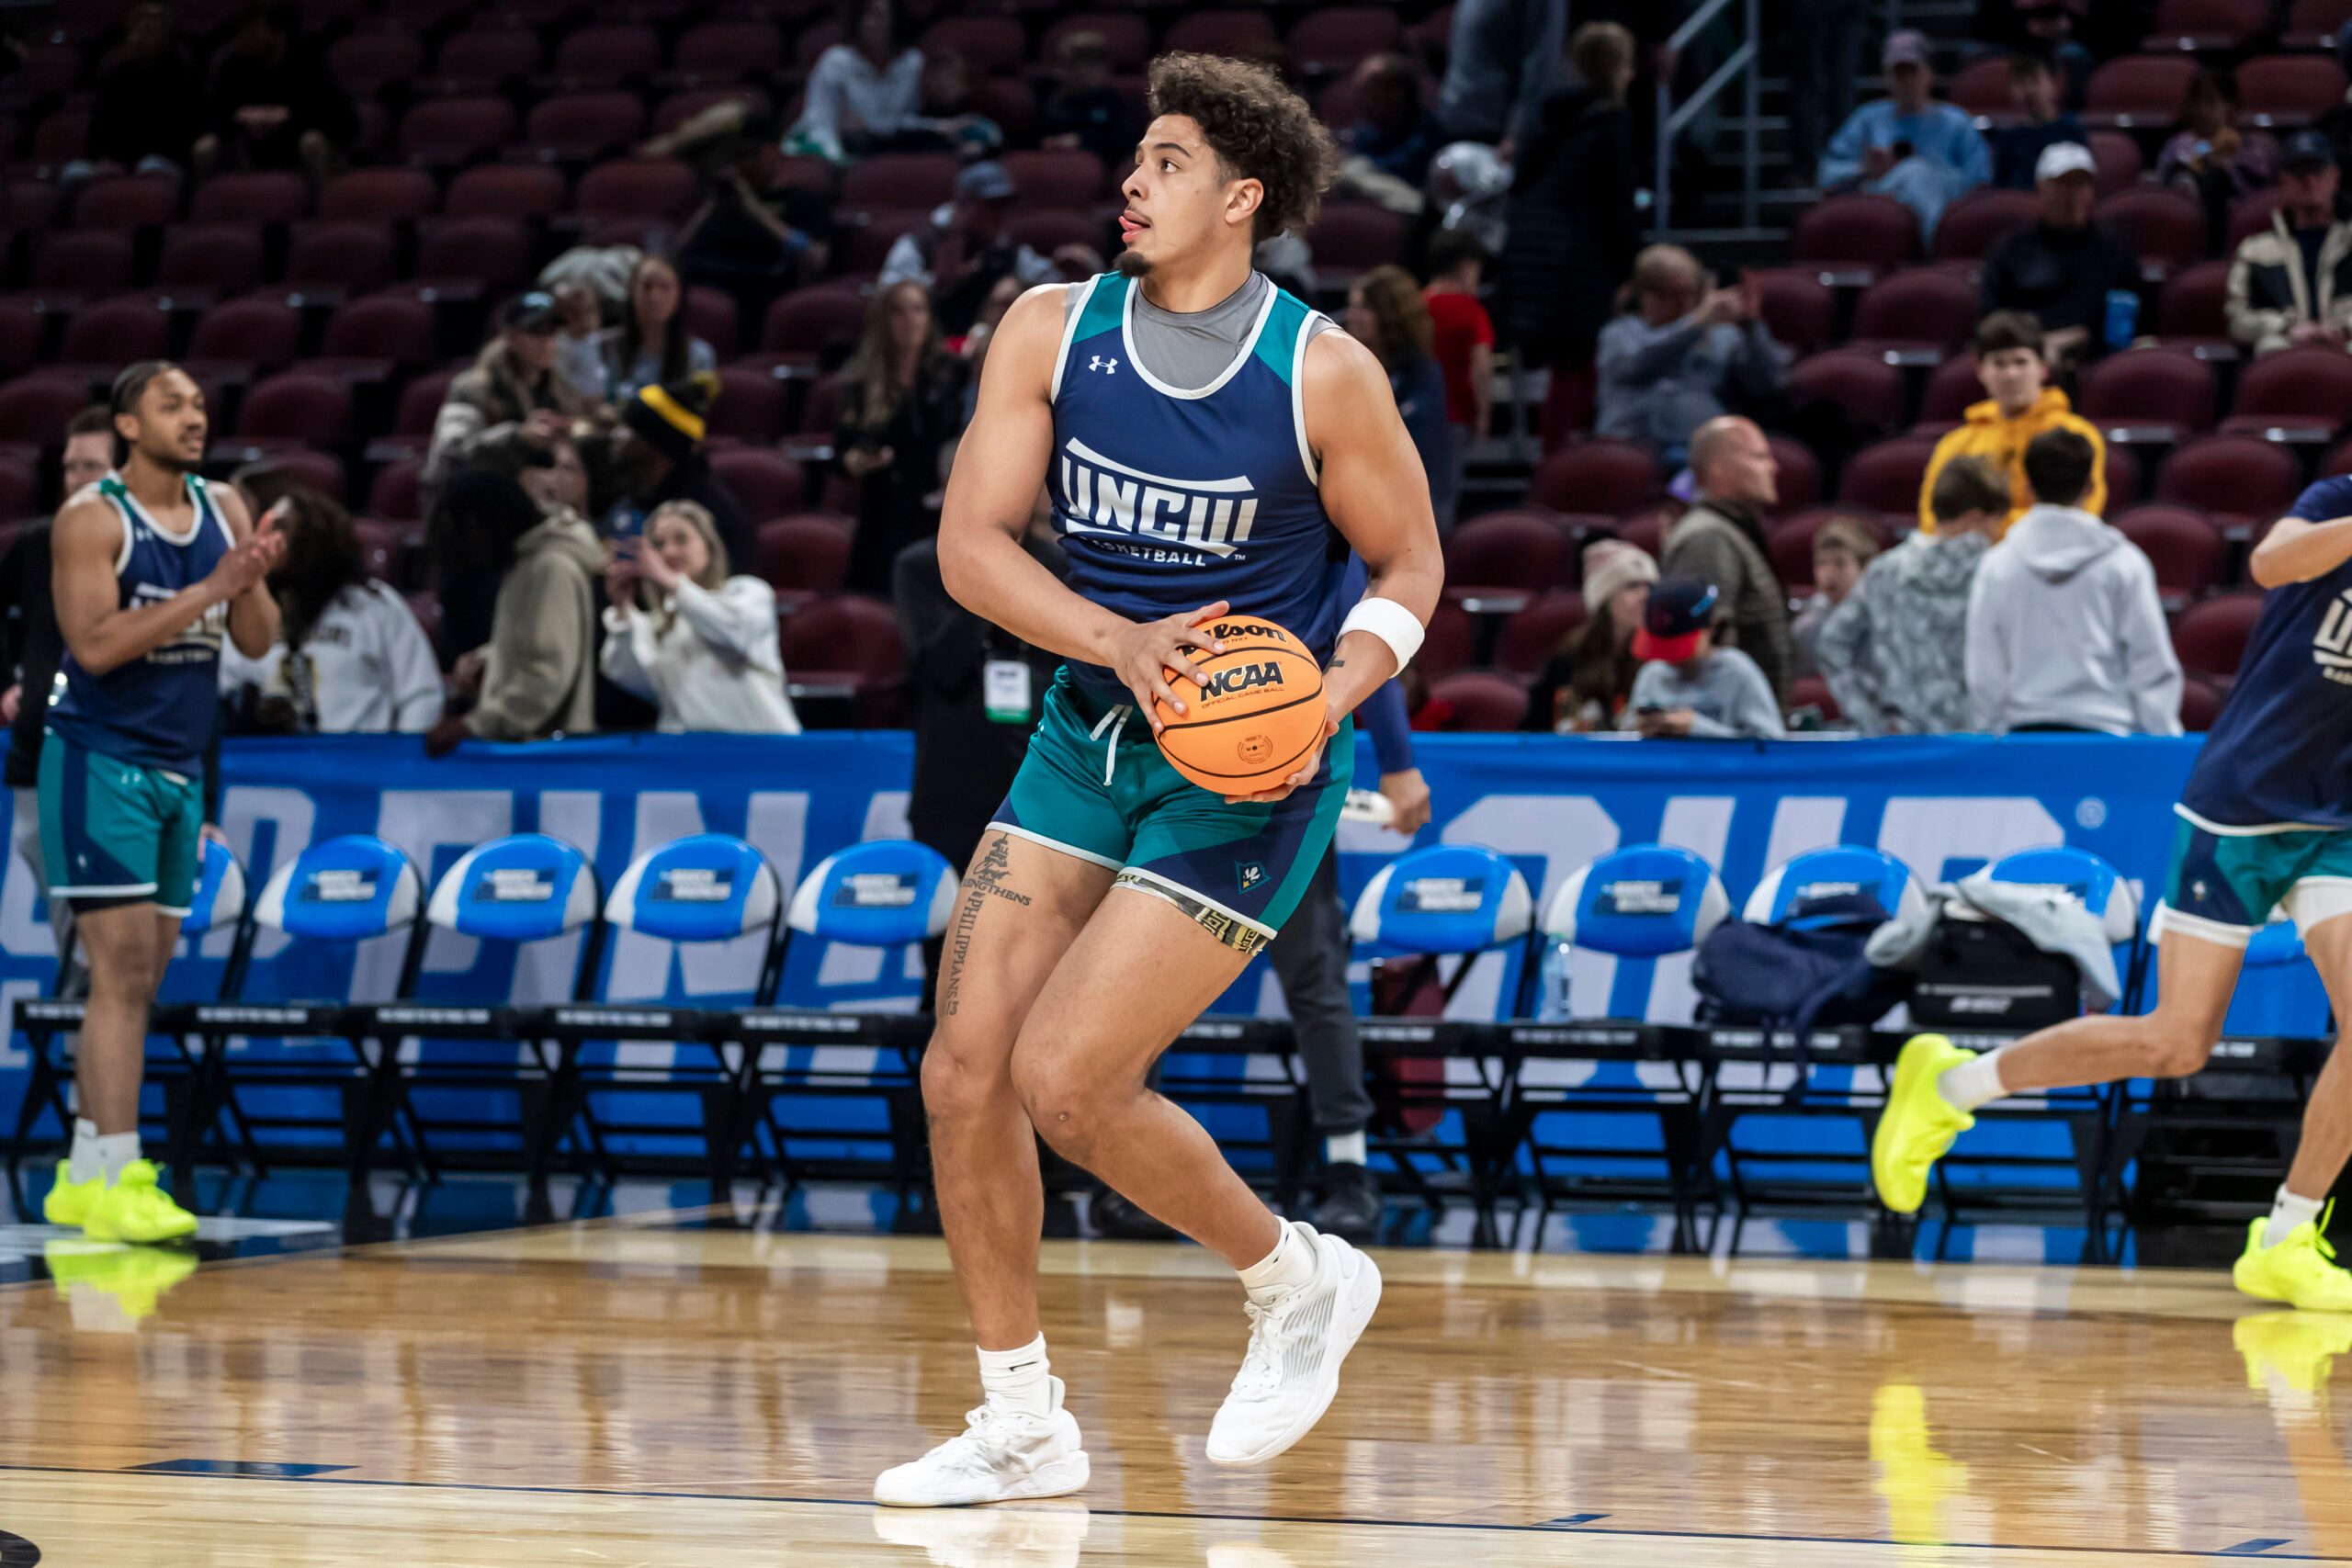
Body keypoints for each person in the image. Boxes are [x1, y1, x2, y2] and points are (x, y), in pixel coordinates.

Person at [874, 51, 1442, 1507]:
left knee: (1068, 1076)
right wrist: (1120, 641)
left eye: (1171, 161)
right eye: (1137, 157)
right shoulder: (1054, 332)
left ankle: (1297, 1274)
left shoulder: (1320, 368)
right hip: (1090, 721)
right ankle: (1023, 1419)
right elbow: (972, 549)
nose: (1133, 181)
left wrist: (1339, 685)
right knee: (963, 1071)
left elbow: (1411, 565)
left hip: (1249, 770)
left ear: (1242, 196)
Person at [1873, 464, 2352, 1312]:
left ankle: (2286, 1234)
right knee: (2176, 1041)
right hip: (2244, 804)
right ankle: (1948, 1083)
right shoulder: (2337, 499)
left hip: (2340, 822)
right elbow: (2272, 565)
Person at [37, 362, 284, 1242]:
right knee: (122, 976)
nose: (195, 416)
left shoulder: (225, 507)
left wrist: (247, 574)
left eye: (200, 404)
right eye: (171, 404)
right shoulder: (92, 518)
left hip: (182, 768)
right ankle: (114, 1171)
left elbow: (256, 639)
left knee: (142, 984)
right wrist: (211, 588)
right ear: (128, 426)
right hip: (100, 760)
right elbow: (95, 647)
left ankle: (86, 1168)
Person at [1965, 428, 2181, 736]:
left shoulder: (1997, 565)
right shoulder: (2125, 563)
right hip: (2106, 740)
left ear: (2026, 489)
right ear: (2092, 487)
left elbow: (1984, 669)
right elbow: (2150, 663)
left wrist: (1993, 733)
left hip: (2021, 740)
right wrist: (2161, 740)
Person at [3, 407, 117, 952]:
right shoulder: (36, 543)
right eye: (71, 467)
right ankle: (81, 1034)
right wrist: (6, 682)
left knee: (110, 941)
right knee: (73, 932)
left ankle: (91, 1034)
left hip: (113, 761)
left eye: (92, 467)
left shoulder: (143, 549)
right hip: (35, 756)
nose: (76, 480)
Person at [217, 489, 441, 734]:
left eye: (281, 528)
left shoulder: (374, 604)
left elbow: (422, 695)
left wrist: (400, 762)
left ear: (316, 537)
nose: (266, 540)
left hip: (361, 761)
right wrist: (249, 709)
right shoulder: (251, 609)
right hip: (275, 763)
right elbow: (223, 687)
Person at [1819, 457, 2005, 737]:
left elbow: (1832, 642)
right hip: (1978, 744)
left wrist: (1867, 719)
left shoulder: (1885, 571)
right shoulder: (1996, 572)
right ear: (1974, 520)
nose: (1996, 533)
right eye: (1995, 523)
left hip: (1903, 744)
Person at [1496, 21, 1640, 375]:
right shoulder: (1608, 123)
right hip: (1577, 265)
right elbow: (1617, 211)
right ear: (1618, 66)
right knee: (1575, 372)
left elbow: (1519, 187)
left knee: (1555, 372)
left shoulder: (1547, 117)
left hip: (1529, 257)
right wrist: (1628, 272)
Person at [425, 471, 602, 756]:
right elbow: (532, 647)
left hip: (549, 756)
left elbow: (546, 676)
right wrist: (490, 661)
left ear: (484, 523)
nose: (472, 549)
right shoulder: (525, 562)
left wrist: (473, 725)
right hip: (531, 751)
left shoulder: (551, 568)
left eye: (468, 534)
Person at [600, 500, 798, 734]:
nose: (669, 552)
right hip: (687, 754)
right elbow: (636, 680)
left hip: (759, 750)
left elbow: (734, 634)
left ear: (709, 546)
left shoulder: (747, 593)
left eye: (681, 539)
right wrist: (623, 608)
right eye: (658, 544)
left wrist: (672, 582)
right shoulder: (657, 623)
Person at [1596, 245, 1790, 467]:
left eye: (1687, 293)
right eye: (1667, 294)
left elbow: (1765, 386)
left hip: (1700, 454)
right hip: (1632, 451)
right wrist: (1699, 322)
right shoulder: (1620, 333)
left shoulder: (1721, 335)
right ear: (1642, 295)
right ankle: (1678, 498)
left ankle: (1681, 498)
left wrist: (1752, 326)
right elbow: (1642, 362)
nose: (1681, 304)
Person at [1918, 310, 2108, 535]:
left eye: (2021, 362)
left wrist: (1986, 529)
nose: (2011, 374)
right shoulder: (1956, 443)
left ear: (2043, 368)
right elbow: (1932, 519)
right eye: (1999, 364)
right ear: (1981, 371)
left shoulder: (2074, 435)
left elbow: (2082, 514)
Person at [839, 283, 970, 595]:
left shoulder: (953, 373)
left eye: (918, 309)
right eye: (898, 310)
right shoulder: (861, 381)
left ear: (929, 317)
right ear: (883, 319)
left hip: (942, 510)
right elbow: (841, 453)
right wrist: (858, 460)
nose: (909, 319)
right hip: (884, 510)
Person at [1660, 415, 1794, 707]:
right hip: (1724, 746)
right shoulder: (1708, 539)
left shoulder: (1728, 532)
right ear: (1719, 468)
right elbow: (1695, 653)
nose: (1773, 467)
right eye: (1759, 457)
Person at [1980, 142, 2142, 367]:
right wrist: (2037, 344)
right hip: (2025, 360)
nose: (2074, 195)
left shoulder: (2114, 246)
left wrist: (2082, 337)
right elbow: (1991, 318)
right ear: (2041, 188)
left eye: (2081, 185)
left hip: (2100, 359)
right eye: (2063, 185)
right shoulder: (2011, 248)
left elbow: (2134, 312)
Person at [1817, 31, 1991, 240]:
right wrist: (1864, 169)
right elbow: (1826, 175)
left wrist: (1928, 176)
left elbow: (1979, 181)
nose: (1907, 81)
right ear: (1886, 78)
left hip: (1943, 203)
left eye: (1913, 72)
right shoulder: (1867, 119)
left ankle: (1933, 248)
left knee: (1916, 172)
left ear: (1929, 74)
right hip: (1882, 209)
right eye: (1899, 74)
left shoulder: (1956, 121)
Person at [423, 294, 595, 499]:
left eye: (553, 331)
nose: (548, 341)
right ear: (511, 338)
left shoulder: (560, 389)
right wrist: (519, 438)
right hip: (473, 506)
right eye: (537, 331)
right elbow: (454, 452)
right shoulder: (471, 389)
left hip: (531, 502)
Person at [879, 162, 1059, 337]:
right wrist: (937, 284)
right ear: (964, 203)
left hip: (982, 350)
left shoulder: (1005, 249)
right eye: (991, 205)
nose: (1001, 214)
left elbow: (1048, 280)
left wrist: (1070, 269)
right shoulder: (920, 245)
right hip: (929, 350)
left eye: (1005, 205)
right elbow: (885, 297)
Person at [192, 2, 356, 183]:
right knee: (205, 147)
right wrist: (239, 118)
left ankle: (320, 205)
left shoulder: (307, 61)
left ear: (278, 32)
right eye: (241, 31)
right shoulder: (234, 66)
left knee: (313, 142)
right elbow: (215, 113)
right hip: (253, 149)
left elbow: (343, 121)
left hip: (296, 145)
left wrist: (284, 116)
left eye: (253, 31)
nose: (243, 38)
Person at [607, 375, 753, 572]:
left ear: (657, 441)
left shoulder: (710, 511)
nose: (615, 435)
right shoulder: (630, 494)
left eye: (629, 428)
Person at [1347, 265, 1454, 529]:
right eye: (1352, 306)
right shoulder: (1346, 366)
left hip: (1410, 510)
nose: (1353, 316)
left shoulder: (1423, 373)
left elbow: (1409, 439)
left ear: (1389, 315)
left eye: (1363, 308)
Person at [2228, 130, 2352, 358]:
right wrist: (2283, 327)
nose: (2310, 181)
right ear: (2284, 182)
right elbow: (2237, 319)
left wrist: (2344, 327)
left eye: (2318, 171)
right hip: (2286, 353)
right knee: (2271, 347)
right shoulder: (2255, 251)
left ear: (2334, 177)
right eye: (2299, 173)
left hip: (2345, 350)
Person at [1623, 578, 1785, 739]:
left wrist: (1696, 728)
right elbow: (1625, 741)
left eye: (1678, 648)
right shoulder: (1653, 674)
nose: (1672, 660)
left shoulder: (1737, 671)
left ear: (1710, 627)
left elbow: (1772, 745)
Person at [1526, 537, 1655, 732]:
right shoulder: (1570, 656)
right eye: (1632, 587)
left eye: (1649, 587)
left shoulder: (1657, 656)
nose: (1645, 595)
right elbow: (1538, 725)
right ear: (1605, 599)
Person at [558, 255, 718, 405]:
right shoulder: (604, 346)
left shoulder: (699, 356)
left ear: (679, 294)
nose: (654, 296)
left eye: (665, 287)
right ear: (631, 291)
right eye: (647, 286)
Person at [788, 0, 930, 163]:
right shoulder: (835, 61)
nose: (869, 23)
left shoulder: (912, 63)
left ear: (896, 19)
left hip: (896, 151)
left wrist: (939, 127)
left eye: (878, 15)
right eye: (863, 15)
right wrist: (839, 158)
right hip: (842, 152)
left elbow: (908, 121)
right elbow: (820, 123)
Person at [80, 2, 205, 184]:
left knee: (149, 167)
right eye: (140, 27)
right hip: (116, 160)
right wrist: (103, 160)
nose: (144, 34)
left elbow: (179, 137)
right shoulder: (116, 78)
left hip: (164, 160)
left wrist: (127, 162)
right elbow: (98, 131)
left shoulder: (182, 77)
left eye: (152, 28)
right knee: (73, 173)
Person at [2158, 68, 2276, 255]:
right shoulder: (2177, 145)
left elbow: (2256, 189)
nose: (2201, 110)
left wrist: (2224, 164)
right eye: (2196, 102)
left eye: (2210, 102)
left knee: (2215, 176)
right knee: (2179, 169)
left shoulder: (2251, 146)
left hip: (2228, 219)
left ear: (2231, 106)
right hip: (2182, 217)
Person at [1423, 230, 1494, 515]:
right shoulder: (1471, 311)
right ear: (1466, 266)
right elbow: (1481, 366)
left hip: (1414, 417)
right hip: (1455, 417)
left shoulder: (1417, 305)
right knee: (1443, 498)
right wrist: (1484, 413)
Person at [1790, 515, 1878, 680]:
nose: (1829, 574)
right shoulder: (1806, 629)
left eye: (1840, 563)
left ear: (1865, 568)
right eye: (1821, 563)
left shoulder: (1882, 622)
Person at [1041, 30, 1140, 173]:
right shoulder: (1055, 100)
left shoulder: (1111, 101)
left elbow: (1123, 140)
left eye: (1092, 65)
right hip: (1056, 163)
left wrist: (1081, 141)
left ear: (1106, 68)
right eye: (1076, 65)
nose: (1084, 72)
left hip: (1098, 167)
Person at [1990, 52, 2086, 191]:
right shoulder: (2008, 137)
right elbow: (1999, 188)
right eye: (2021, 82)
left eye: (2035, 80)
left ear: (2054, 84)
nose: (2029, 90)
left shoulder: (2071, 130)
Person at [1342, 55, 1442, 188]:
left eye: (1369, 88)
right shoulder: (1367, 126)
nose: (1361, 96)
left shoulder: (1427, 129)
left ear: (1397, 92)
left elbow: (1407, 166)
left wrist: (1363, 166)